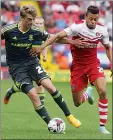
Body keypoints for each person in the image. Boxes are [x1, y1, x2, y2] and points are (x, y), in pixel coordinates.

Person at [30, 5, 112, 134]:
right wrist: (42, 47)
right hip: (78, 67)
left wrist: (111, 63)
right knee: (77, 103)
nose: (93, 22)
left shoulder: (102, 30)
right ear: (86, 17)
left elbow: (107, 47)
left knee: (103, 91)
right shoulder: (77, 27)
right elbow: (57, 37)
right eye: (91, 19)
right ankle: (87, 94)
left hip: (93, 64)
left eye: (96, 19)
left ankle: (102, 127)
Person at [2, 4, 81, 129]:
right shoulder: (8, 30)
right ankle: (51, 124)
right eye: (29, 19)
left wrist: (71, 41)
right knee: (34, 95)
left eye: (33, 19)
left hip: (32, 63)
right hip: (16, 67)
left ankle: (69, 116)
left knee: (50, 87)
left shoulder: (36, 30)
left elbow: (53, 38)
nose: (32, 22)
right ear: (21, 18)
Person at [4, 17, 47, 105]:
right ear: (34, 23)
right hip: (23, 61)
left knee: (40, 82)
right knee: (25, 84)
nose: (39, 25)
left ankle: (41, 104)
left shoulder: (41, 33)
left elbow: (44, 44)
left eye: (41, 24)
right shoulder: (31, 32)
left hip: (34, 61)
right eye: (37, 23)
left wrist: (44, 55)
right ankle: (11, 91)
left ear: (43, 24)